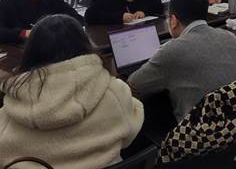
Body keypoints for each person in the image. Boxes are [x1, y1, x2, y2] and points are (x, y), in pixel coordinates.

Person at [0, 14, 144, 169]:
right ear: (85, 44)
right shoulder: (113, 90)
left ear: (30, 52)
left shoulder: (13, 106)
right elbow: (130, 132)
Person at [128, 0, 236, 122]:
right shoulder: (230, 37)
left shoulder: (172, 50)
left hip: (201, 131)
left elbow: (133, 86)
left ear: (173, 20)